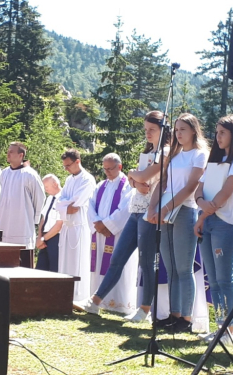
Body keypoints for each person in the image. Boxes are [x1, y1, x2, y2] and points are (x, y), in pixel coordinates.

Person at [72, 111, 170, 321]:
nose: (147, 134)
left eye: (152, 130)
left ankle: (144, 309)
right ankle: (95, 302)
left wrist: (136, 177)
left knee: (146, 262)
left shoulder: (166, 152)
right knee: (117, 258)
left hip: (150, 212)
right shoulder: (147, 152)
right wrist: (136, 179)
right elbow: (137, 181)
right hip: (136, 210)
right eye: (145, 129)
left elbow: (141, 176)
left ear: (163, 130)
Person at [148, 113, 209, 333]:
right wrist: (152, 208)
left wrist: (166, 208)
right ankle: (173, 315)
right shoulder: (173, 154)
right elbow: (161, 183)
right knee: (171, 266)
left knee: (184, 268)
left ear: (194, 130)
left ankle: (186, 317)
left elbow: (191, 186)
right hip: (166, 210)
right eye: (176, 130)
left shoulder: (200, 155)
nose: (178, 133)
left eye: (183, 129)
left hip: (184, 210)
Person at [193, 114, 233, 344]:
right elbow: (200, 188)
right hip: (206, 220)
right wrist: (200, 205)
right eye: (216, 133)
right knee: (213, 280)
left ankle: (229, 331)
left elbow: (225, 195)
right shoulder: (215, 158)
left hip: (224, 224)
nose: (218, 137)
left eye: (223, 133)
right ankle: (220, 328)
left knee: (225, 280)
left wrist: (203, 213)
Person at [84, 153, 133, 314]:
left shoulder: (127, 186)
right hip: (99, 234)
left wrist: (107, 226)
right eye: (104, 169)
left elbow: (125, 210)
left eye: (110, 169)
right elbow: (89, 206)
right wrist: (97, 224)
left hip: (117, 234)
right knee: (98, 266)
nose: (107, 172)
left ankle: (117, 304)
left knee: (116, 264)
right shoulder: (100, 185)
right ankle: (96, 300)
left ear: (119, 167)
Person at [56, 149, 96, 301]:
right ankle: (64, 294)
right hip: (67, 225)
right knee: (65, 261)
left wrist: (64, 205)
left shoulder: (87, 179)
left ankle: (78, 296)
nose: (66, 169)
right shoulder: (68, 180)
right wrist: (65, 205)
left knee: (77, 262)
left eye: (68, 165)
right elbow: (60, 201)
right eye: (64, 166)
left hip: (79, 225)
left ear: (77, 161)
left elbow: (76, 204)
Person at [0, 142, 45, 251]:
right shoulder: (4, 173)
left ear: (21, 155)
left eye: (11, 152)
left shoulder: (30, 175)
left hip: (22, 224)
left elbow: (39, 198)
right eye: (8, 151)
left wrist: (35, 219)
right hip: (3, 222)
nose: (8, 154)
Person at [35, 174, 63, 272]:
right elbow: (43, 218)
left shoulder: (63, 198)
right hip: (44, 238)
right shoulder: (50, 198)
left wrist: (43, 238)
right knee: (40, 269)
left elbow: (59, 225)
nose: (45, 189)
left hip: (56, 238)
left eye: (46, 187)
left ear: (55, 184)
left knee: (54, 270)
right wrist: (39, 237)